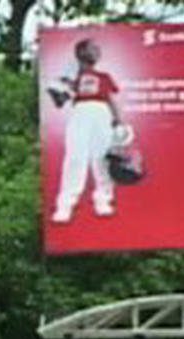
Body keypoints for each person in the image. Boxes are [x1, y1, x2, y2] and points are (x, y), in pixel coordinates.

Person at [49, 37, 126, 224]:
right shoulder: (72, 76)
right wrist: (61, 89)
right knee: (75, 156)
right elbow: (59, 102)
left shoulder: (103, 76)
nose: (98, 51)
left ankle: (103, 199)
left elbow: (110, 99)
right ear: (82, 52)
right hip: (80, 111)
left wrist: (118, 121)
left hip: (101, 113)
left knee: (101, 157)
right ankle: (65, 205)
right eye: (93, 48)